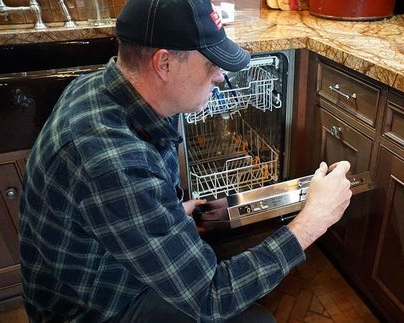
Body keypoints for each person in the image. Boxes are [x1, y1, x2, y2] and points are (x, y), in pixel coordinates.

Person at [18, 0, 352, 322]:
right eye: (211, 64)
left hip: (107, 269)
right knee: (257, 320)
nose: (220, 77)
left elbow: (116, 204)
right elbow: (210, 297)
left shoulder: (100, 87)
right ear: (164, 64)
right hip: (101, 307)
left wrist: (166, 211)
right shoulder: (111, 161)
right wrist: (313, 221)